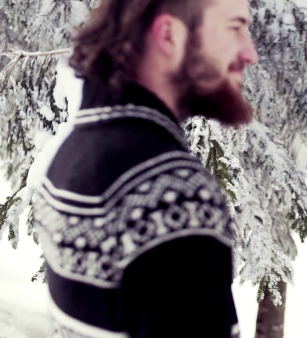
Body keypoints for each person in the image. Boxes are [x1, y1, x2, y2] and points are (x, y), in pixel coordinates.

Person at [33, 0, 258, 337]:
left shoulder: (73, 152)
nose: (249, 52)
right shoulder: (171, 192)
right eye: (235, 27)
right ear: (169, 35)